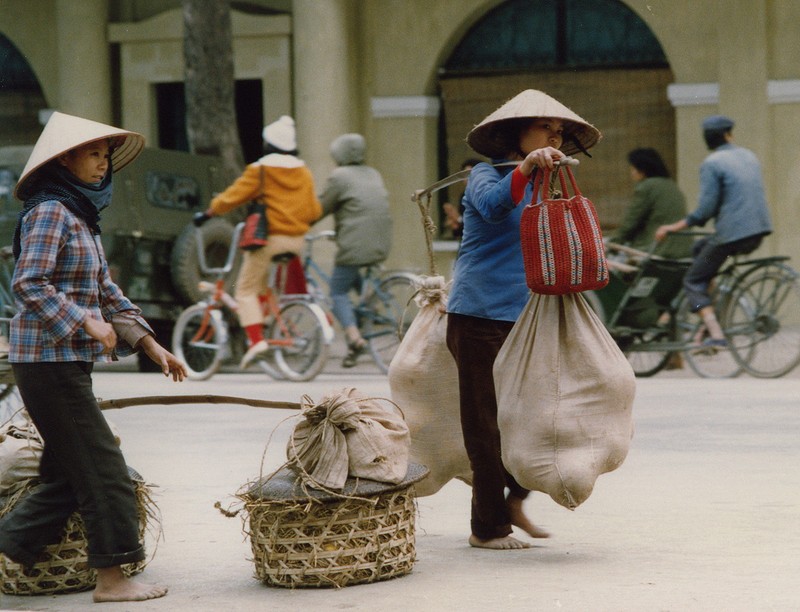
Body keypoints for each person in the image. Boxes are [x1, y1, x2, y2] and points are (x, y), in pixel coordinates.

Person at [0, 111, 187, 603]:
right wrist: (84, 321)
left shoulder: (80, 215)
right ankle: (112, 579)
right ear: (65, 158)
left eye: (106, 154)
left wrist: (151, 345)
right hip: (47, 363)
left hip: (65, 364)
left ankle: (13, 541)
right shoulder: (48, 212)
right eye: (92, 153)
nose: (103, 163)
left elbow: (106, 291)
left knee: (66, 473)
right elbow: (28, 284)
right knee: (106, 472)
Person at [446, 89, 601, 550]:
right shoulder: (482, 176)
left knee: (539, 417)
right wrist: (529, 167)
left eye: (558, 131)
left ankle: (515, 500)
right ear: (517, 136)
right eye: (544, 129)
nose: (554, 136)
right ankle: (487, 527)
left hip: (527, 316)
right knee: (486, 423)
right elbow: (496, 207)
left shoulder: (544, 183)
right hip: (477, 314)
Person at [198, 115, 322, 369]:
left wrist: (210, 211)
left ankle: (256, 340)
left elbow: (233, 197)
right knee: (265, 286)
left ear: (268, 144)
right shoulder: (304, 172)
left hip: (269, 241)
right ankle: (267, 321)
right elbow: (314, 211)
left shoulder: (261, 170)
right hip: (296, 241)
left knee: (245, 289)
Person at [655, 115, 772, 348]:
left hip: (731, 235)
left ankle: (715, 332)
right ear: (729, 135)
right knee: (700, 249)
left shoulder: (712, 163)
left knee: (692, 280)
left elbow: (705, 210)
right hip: (758, 230)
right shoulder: (749, 156)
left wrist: (674, 227)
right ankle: (708, 309)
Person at [316, 133, 393, 368]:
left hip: (355, 244)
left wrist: (298, 223)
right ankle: (372, 305)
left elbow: (321, 208)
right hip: (380, 241)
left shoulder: (339, 176)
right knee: (355, 280)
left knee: (337, 291)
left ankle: (354, 337)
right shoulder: (373, 173)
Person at [610, 148, 692, 259]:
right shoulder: (671, 185)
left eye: (633, 168)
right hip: (684, 250)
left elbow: (631, 222)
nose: (631, 173)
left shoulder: (647, 187)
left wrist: (612, 245)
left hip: (657, 249)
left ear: (642, 170)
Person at [442, 158, 482, 239]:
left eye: (469, 175)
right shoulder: (464, 196)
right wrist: (454, 224)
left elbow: (480, 225)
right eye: (464, 176)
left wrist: (458, 218)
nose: (466, 179)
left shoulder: (484, 195)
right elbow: (462, 231)